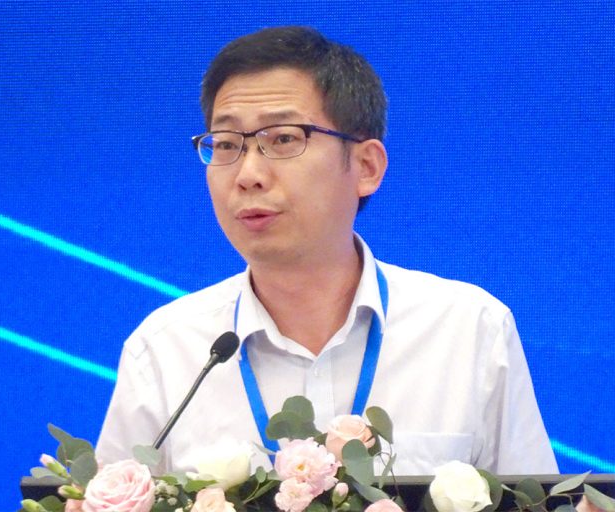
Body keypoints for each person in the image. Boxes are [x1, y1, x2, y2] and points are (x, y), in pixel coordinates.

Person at [95, 26, 558, 477]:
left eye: (283, 139)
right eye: (228, 144)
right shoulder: (165, 351)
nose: (248, 175)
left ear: (366, 166)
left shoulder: (469, 332)